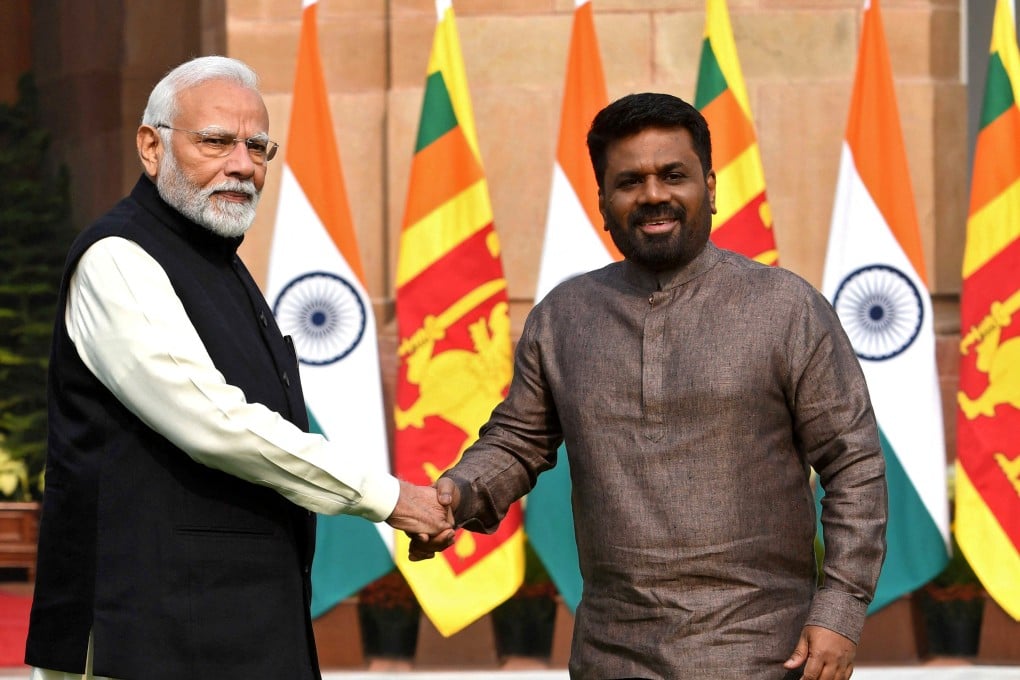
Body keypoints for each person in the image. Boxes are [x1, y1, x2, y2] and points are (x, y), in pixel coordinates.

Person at [414, 93, 888, 680]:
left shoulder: (786, 309)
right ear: (604, 203)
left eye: (673, 175)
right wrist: (455, 496)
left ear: (710, 187)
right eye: (629, 181)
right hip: (612, 654)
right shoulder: (565, 316)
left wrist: (841, 609)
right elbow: (517, 441)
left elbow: (855, 465)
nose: (653, 195)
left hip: (762, 650)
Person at [25, 56, 452, 680]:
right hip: (142, 634)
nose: (243, 165)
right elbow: (214, 422)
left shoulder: (218, 260)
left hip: (233, 628)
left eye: (258, 146)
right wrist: (387, 497)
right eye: (216, 142)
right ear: (151, 147)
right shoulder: (118, 257)